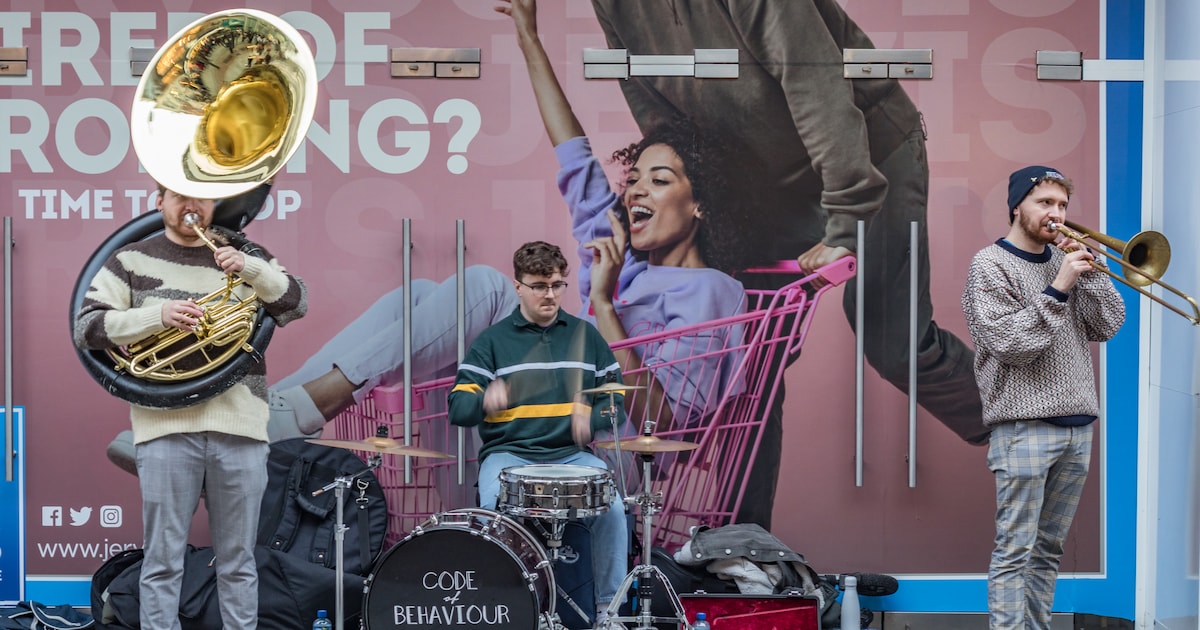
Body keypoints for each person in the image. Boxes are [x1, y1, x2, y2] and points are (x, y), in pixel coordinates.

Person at [588, 0, 987, 526]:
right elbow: (651, 101)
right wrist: (689, 197)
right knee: (750, 357)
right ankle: (742, 543)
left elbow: (813, 78)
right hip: (758, 178)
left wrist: (846, 217)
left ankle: (1026, 417)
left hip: (863, 153)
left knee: (894, 344)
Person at [74, 184, 308, 630]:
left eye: (200, 196)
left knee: (238, 562)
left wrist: (251, 269)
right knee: (162, 561)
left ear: (214, 203)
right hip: (165, 428)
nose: (190, 206)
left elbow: (296, 303)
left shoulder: (244, 254)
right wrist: (156, 317)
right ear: (159, 200)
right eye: (179, 195)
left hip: (240, 428)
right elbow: (87, 327)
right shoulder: (130, 259)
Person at [960, 165, 1124, 630]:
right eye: (1045, 202)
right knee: (1016, 549)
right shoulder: (989, 265)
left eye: (1062, 205)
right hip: (1023, 427)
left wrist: (1093, 274)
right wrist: (1059, 286)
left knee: (1049, 550)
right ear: (1017, 206)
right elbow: (1012, 345)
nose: (1057, 214)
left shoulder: (1066, 260)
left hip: (1078, 428)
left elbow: (1107, 325)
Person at [448, 240, 629, 628]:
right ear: (518, 286)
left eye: (557, 285)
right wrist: (485, 400)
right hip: (509, 454)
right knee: (495, 505)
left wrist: (593, 417)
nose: (550, 295)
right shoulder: (492, 342)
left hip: (571, 456)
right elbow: (458, 409)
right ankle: (502, 606)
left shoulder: (587, 337)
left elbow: (616, 400)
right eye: (539, 286)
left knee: (612, 509)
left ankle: (608, 612)